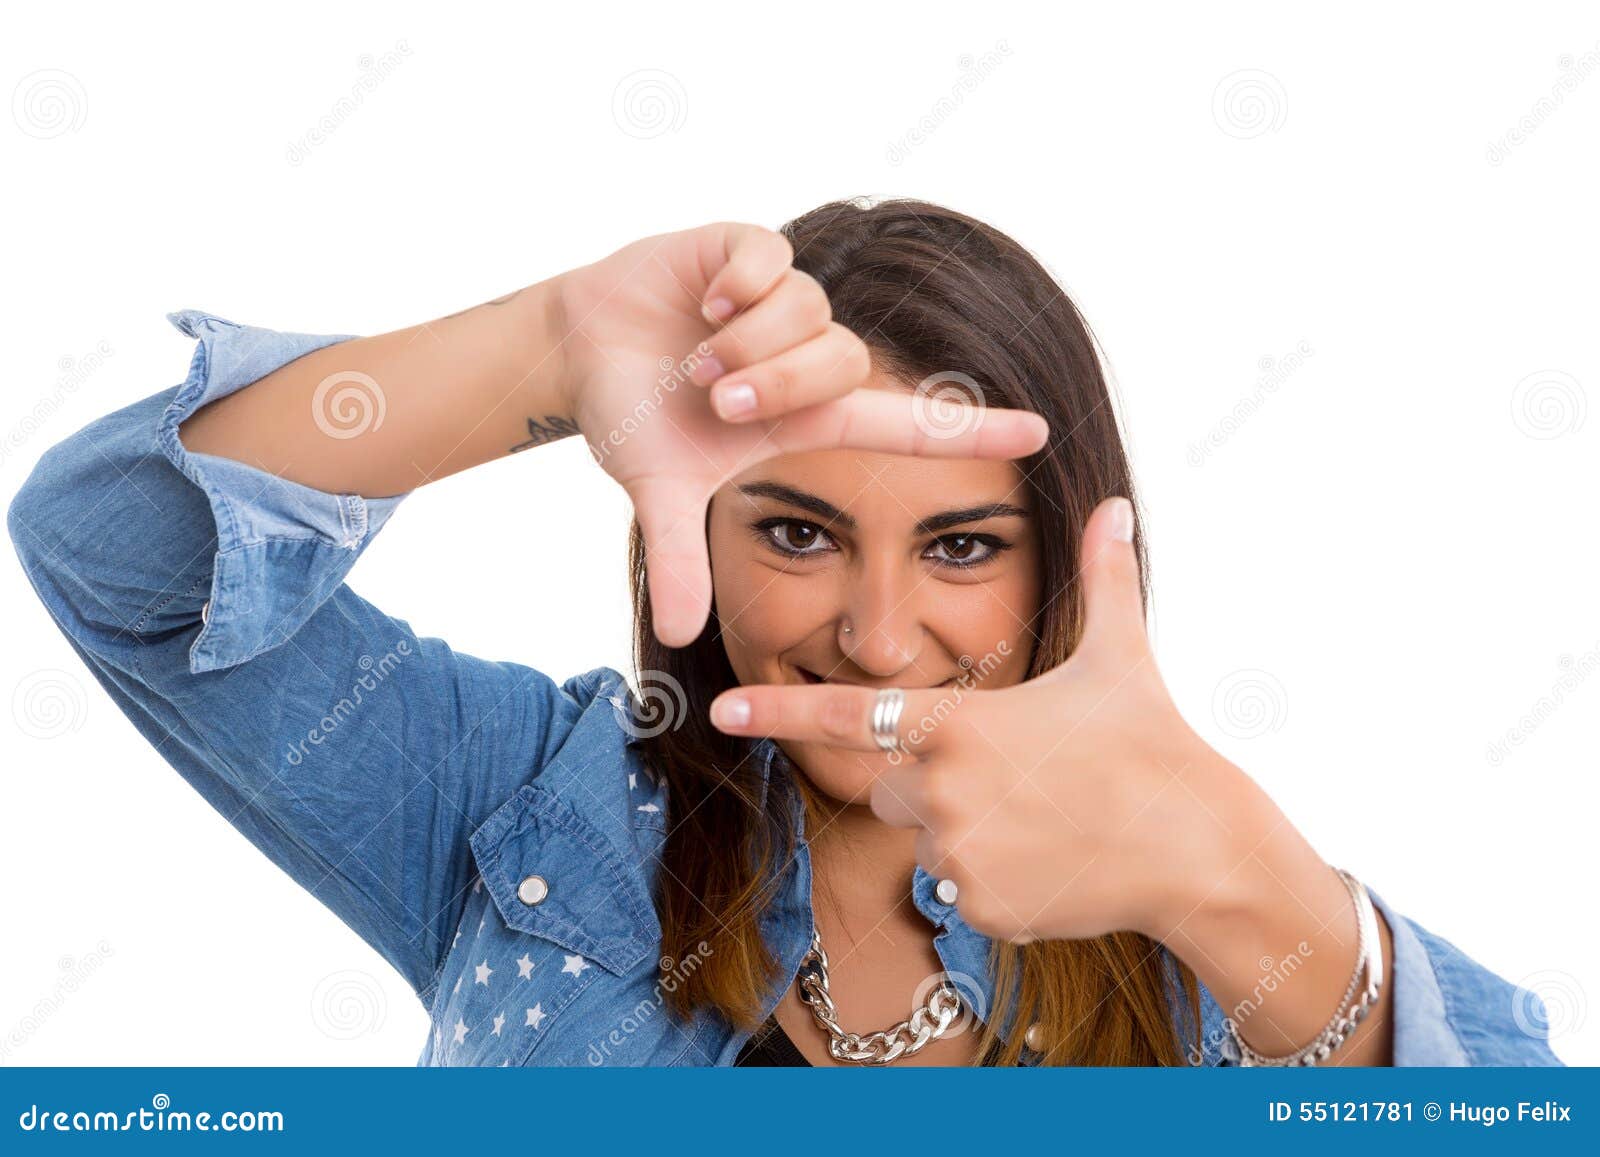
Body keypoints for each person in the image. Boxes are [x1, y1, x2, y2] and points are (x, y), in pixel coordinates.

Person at [7, 198, 1564, 1067]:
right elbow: (115, 553)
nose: (879, 639)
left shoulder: (1203, 926)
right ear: (688, 520)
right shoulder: (524, 805)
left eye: (961, 546)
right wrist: (541, 351)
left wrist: (1229, 869)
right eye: (799, 532)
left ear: (1068, 557)